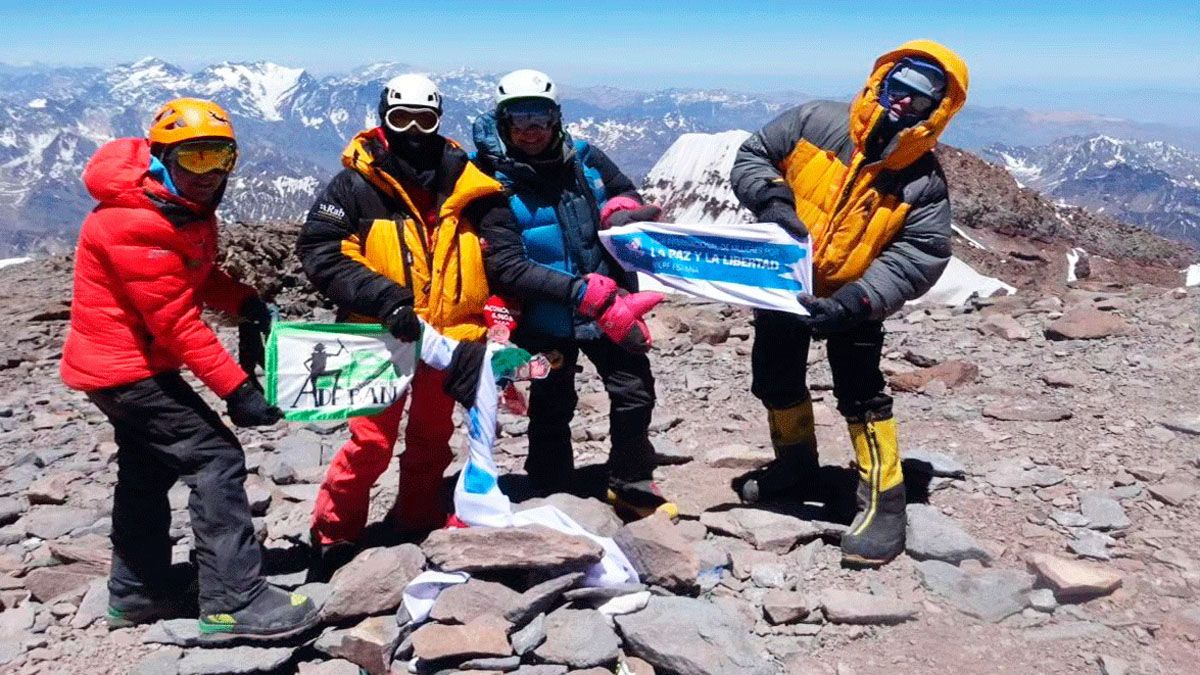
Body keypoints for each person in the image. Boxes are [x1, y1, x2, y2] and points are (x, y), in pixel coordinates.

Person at [60, 98, 318, 640]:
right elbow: (176, 320)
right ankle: (234, 601)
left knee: (148, 467)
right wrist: (237, 388)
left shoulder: (176, 206)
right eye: (194, 159)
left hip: (122, 367)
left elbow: (191, 277)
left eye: (220, 158)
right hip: (128, 370)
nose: (208, 174)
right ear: (161, 157)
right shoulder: (133, 221)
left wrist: (241, 299)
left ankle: (138, 592)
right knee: (215, 458)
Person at [729, 41, 969, 567]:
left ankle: (886, 500)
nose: (903, 104)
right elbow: (753, 154)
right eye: (898, 89)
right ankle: (795, 465)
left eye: (920, 100)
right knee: (774, 377)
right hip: (781, 284)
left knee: (860, 394)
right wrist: (772, 198)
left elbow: (922, 251)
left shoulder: (922, 180)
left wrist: (857, 300)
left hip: (854, 302)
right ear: (879, 83)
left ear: (938, 111)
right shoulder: (815, 120)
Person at [297, 74, 512, 568]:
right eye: (401, 119)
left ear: (439, 122)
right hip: (379, 336)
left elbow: (502, 257)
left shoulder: (468, 185)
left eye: (425, 119)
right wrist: (383, 299)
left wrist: (502, 317)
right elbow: (321, 251)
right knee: (370, 440)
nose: (414, 130)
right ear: (383, 120)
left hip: (450, 337)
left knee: (432, 437)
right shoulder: (355, 184)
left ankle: (416, 519)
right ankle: (334, 533)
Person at [472, 69, 675, 520]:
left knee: (634, 391)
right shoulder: (488, 181)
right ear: (502, 123)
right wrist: (583, 294)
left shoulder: (584, 158)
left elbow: (623, 190)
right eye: (518, 119)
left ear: (556, 118)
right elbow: (504, 265)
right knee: (551, 401)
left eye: (539, 118)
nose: (530, 130)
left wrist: (621, 211)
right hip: (546, 314)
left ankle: (631, 482)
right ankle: (550, 487)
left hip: (610, 308)